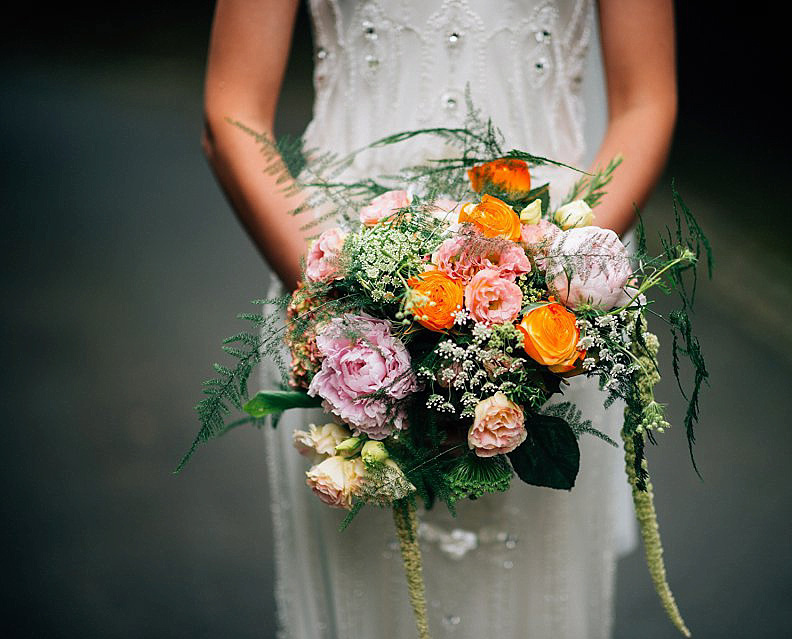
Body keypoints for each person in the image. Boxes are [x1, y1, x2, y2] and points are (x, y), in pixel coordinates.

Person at [202, 1, 677, 637]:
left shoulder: (549, 296)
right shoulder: (341, 307)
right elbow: (232, 112)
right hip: (335, 297)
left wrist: (555, 278)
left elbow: (647, 100)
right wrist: (344, 300)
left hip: (548, 306)